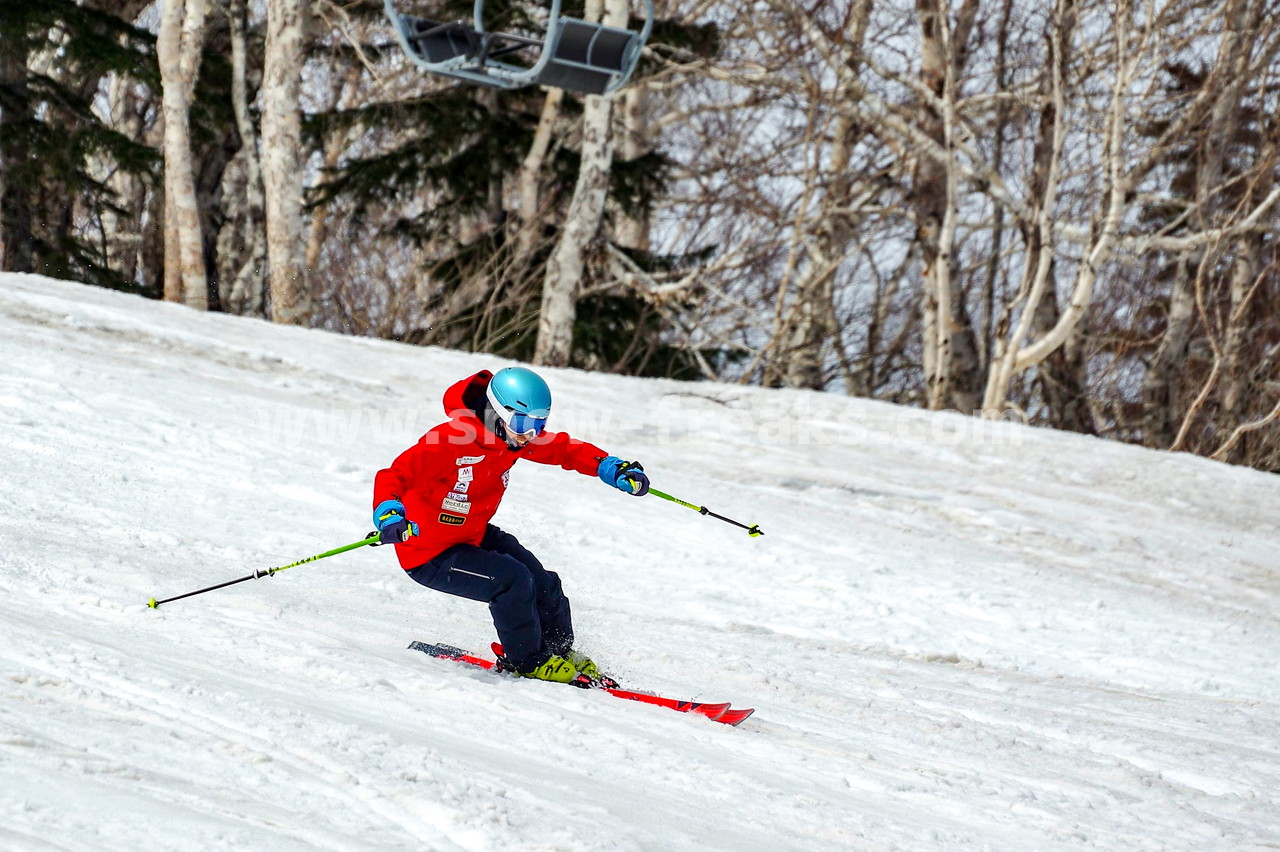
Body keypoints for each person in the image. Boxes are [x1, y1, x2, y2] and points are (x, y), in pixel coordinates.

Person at [372, 367, 649, 683]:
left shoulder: (511, 438)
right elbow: (394, 475)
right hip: (428, 551)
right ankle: (529, 660)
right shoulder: (449, 439)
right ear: (498, 412)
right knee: (512, 581)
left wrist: (609, 467)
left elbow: (564, 450)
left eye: (538, 425)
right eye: (522, 423)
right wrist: (388, 513)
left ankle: (557, 652)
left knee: (542, 580)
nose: (529, 434)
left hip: (471, 535)